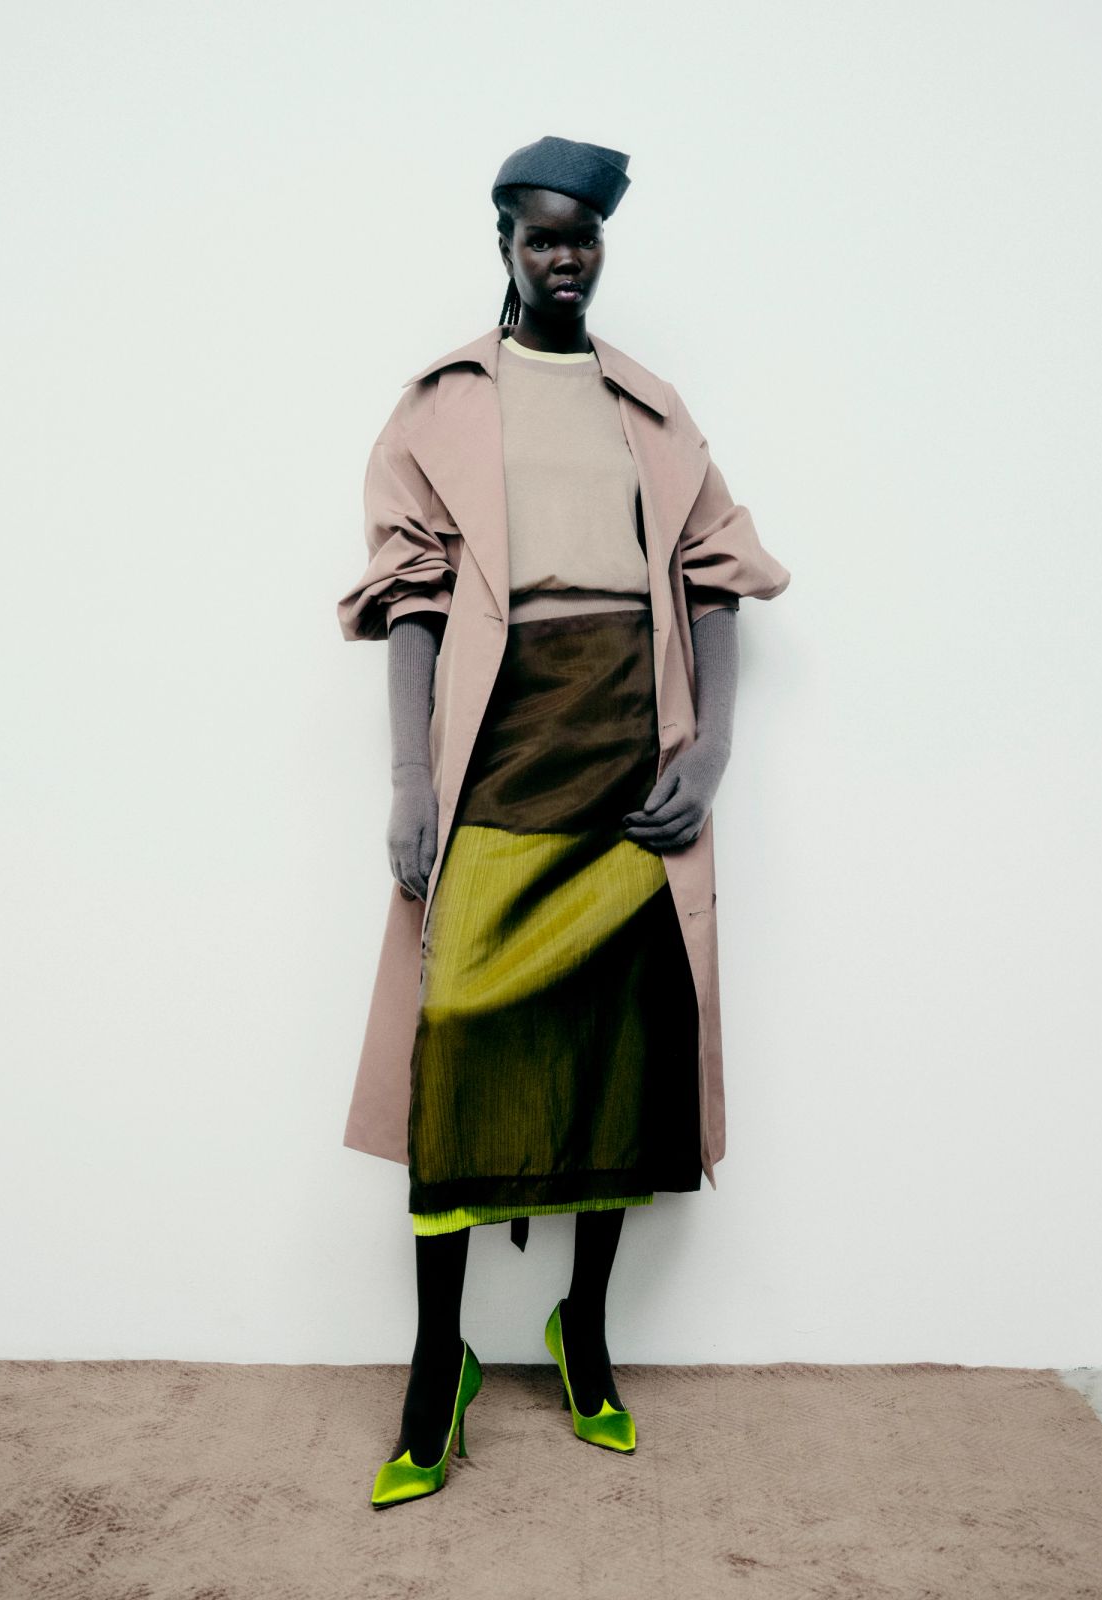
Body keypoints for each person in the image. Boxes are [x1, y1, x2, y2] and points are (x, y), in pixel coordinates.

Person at [337, 136, 791, 1508]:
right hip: (498, 763)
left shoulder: (647, 410)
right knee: (456, 1045)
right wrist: (416, 786)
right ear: (503, 242)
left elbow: (715, 578)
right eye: (541, 235)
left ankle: (581, 1335)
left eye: (584, 235)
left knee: (611, 1060)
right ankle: (436, 1369)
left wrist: (707, 753)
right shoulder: (439, 406)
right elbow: (410, 598)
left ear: (602, 244)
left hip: (624, 775)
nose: (566, 255)